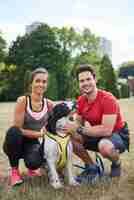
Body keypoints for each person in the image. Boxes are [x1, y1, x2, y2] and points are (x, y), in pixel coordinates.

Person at [70, 64, 129, 182]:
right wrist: (71, 128)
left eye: (88, 79)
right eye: (82, 81)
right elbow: (78, 124)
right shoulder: (81, 100)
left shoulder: (108, 99)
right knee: (70, 138)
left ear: (95, 79)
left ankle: (116, 163)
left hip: (116, 135)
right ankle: (92, 167)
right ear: (78, 83)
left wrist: (81, 129)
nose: (85, 83)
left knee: (104, 146)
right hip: (95, 133)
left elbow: (106, 130)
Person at [3, 67, 54, 186]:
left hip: (32, 143)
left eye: (44, 81)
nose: (41, 84)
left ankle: (32, 168)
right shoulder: (23, 101)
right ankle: (15, 172)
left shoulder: (50, 104)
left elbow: (55, 126)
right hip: (16, 142)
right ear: (31, 83)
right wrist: (40, 134)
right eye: (37, 81)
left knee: (34, 162)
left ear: (47, 84)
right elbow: (18, 130)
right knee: (13, 131)